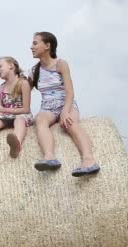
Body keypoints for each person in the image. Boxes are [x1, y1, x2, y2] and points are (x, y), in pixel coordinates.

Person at [29, 31, 100, 177]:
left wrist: (65, 111)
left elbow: (70, 92)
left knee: (70, 123)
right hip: (47, 108)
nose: (31, 47)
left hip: (65, 104)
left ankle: (89, 160)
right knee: (40, 120)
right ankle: (49, 157)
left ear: (47, 46)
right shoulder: (34, 71)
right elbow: (23, 92)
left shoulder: (60, 64)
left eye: (35, 43)